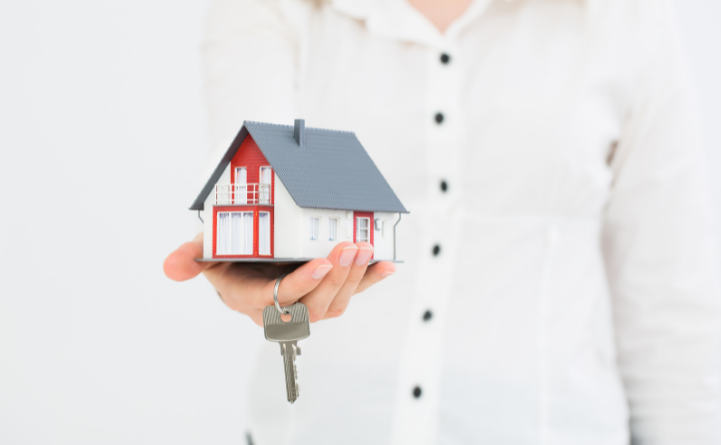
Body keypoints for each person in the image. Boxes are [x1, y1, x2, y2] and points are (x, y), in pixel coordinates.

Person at [163, 0, 721, 443]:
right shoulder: (276, 8)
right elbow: (260, 165)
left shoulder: (625, 16)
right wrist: (258, 275)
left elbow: (668, 303)